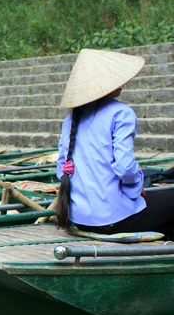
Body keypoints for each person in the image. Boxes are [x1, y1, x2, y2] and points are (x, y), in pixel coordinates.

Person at [55, 49, 174, 239]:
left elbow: (62, 170)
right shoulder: (121, 113)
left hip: (78, 218)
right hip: (111, 220)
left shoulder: (70, 120)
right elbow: (125, 167)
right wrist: (135, 188)